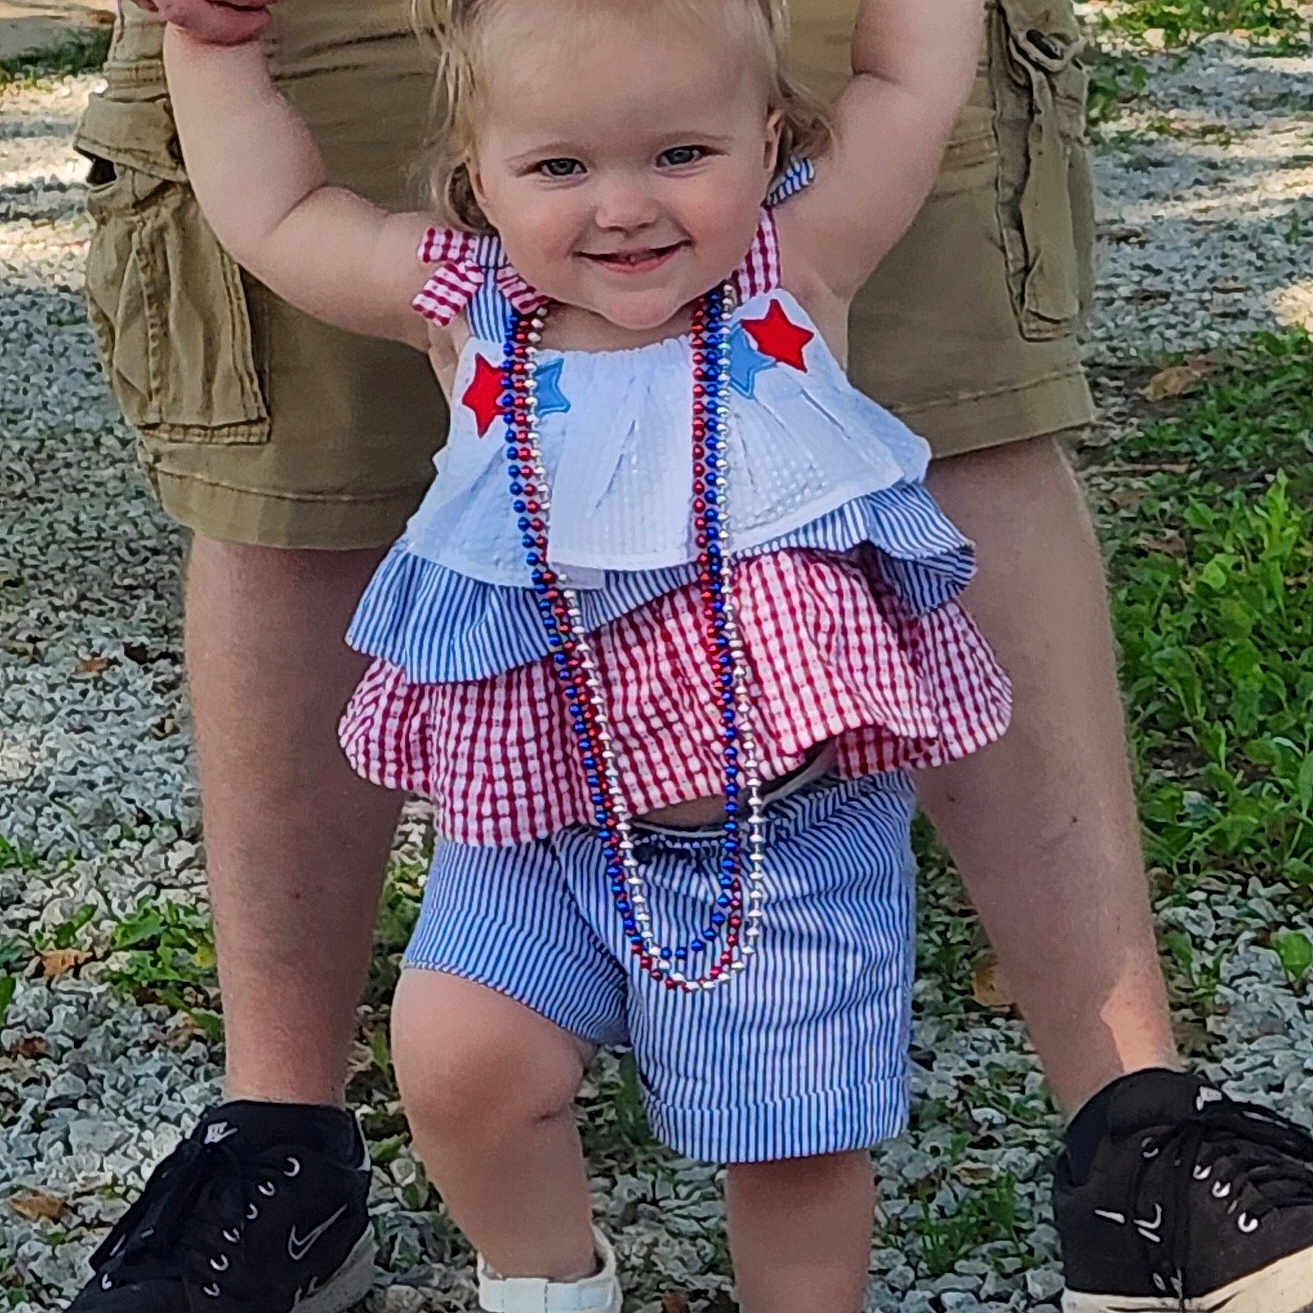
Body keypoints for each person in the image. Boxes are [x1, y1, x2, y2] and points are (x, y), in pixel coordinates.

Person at [66, 1, 1313, 1312]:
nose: (622, 210)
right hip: (541, 820)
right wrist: (208, 49)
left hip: (779, 840)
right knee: (458, 1061)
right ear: (473, 176)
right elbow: (276, 209)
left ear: (770, 139)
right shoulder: (469, 301)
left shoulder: (794, 269)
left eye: (679, 156)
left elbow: (902, 78)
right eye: (557, 169)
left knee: (791, 1154)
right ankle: (544, 1282)